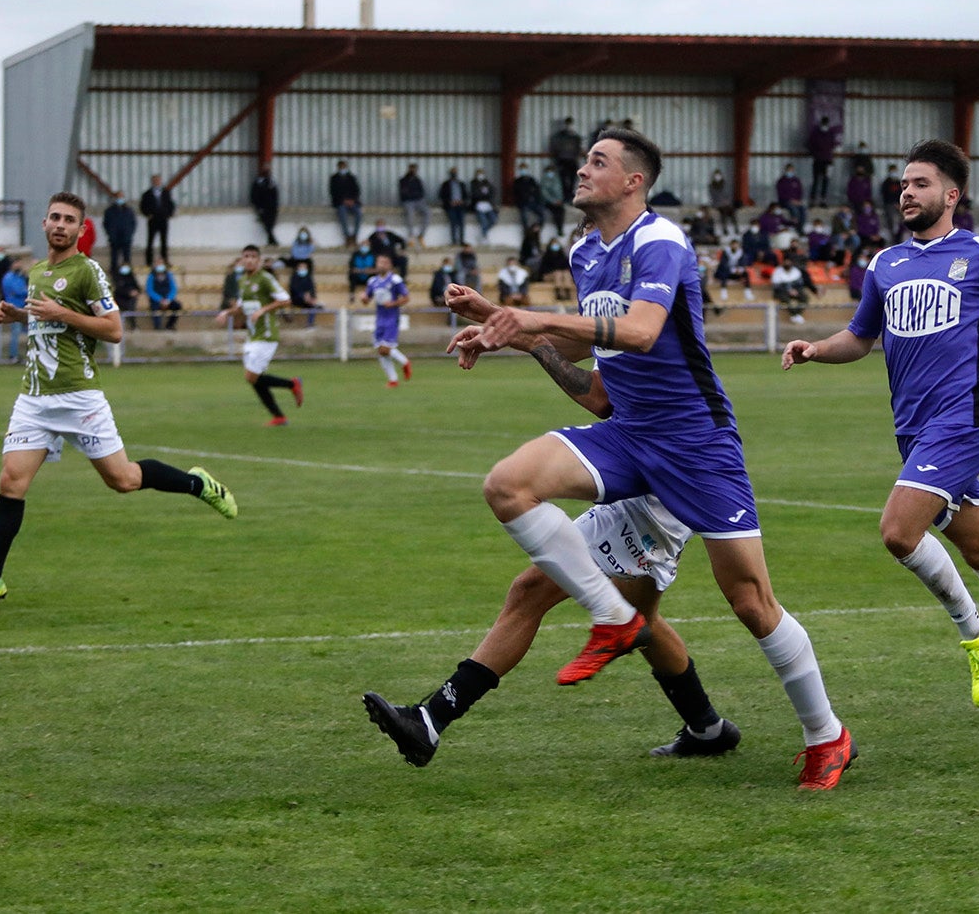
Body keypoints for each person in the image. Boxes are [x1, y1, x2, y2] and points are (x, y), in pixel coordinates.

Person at [439, 127, 855, 791]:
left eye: (597, 161)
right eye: (584, 160)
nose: (581, 170)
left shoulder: (660, 241)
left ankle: (826, 734)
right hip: (628, 432)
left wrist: (529, 317)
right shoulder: (584, 252)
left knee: (751, 601)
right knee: (508, 484)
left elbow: (639, 331)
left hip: (696, 443)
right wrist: (502, 327)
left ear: (634, 181)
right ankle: (614, 617)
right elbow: (590, 354)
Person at [782, 139, 979, 716]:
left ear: (951, 194)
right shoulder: (885, 264)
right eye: (903, 185)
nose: (907, 193)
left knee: (898, 532)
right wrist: (816, 348)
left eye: (920, 184)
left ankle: (976, 633)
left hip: (964, 420)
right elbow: (860, 338)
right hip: (913, 430)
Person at [365, 333, 741, 767]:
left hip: (663, 480)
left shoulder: (640, 311)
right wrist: (500, 329)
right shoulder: (625, 306)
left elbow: (600, 397)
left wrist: (526, 337)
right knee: (641, 619)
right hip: (654, 472)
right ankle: (707, 729)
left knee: (532, 591)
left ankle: (431, 719)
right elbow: (578, 343)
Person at [0, 192, 236, 608]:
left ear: (81, 230)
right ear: (44, 224)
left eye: (70, 220)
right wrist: (19, 316)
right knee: (11, 481)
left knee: (123, 480)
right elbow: (47, 319)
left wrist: (62, 314)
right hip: (34, 397)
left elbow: (114, 330)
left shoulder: (88, 271)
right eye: (55, 217)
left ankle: (198, 484)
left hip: (79, 397)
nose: (60, 224)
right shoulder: (38, 271)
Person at [215, 244, 304, 426]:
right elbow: (242, 306)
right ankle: (279, 416)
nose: (249, 260)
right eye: (246, 256)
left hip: (267, 334)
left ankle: (292, 384)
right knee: (254, 380)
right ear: (241, 259)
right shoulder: (243, 280)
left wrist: (263, 310)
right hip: (253, 335)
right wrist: (227, 313)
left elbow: (285, 299)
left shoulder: (265, 278)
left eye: (253, 256)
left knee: (251, 377)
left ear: (259, 260)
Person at [362, 253, 412, 387]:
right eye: (379, 262)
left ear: (389, 265)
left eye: (384, 263)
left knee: (385, 348)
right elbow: (367, 299)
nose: (381, 265)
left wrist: (393, 303)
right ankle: (393, 380)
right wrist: (364, 298)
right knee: (381, 351)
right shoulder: (372, 281)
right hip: (379, 318)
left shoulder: (395, 280)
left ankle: (405, 362)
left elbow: (406, 297)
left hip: (391, 318)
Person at [139, 174, 175, 268]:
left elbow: (170, 204)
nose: (157, 182)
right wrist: (148, 214)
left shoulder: (166, 192)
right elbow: (142, 206)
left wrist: (169, 214)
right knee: (150, 241)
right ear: (152, 182)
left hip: (163, 219)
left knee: (164, 241)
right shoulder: (147, 194)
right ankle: (149, 262)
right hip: (153, 220)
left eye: (158, 180)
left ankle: (164, 260)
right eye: (155, 180)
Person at [547, 116, 583, 202]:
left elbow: (578, 148)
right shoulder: (559, 136)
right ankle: (565, 195)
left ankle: (570, 195)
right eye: (568, 124)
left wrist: (576, 156)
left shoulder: (575, 136)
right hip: (562, 160)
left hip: (572, 160)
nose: (569, 126)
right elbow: (554, 148)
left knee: (573, 179)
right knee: (563, 179)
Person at [0, 259, 30, 359]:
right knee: (15, 331)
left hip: (23, 307)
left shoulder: (20, 277)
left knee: (29, 331)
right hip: (13, 307)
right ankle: (13, 355)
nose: (19, 265)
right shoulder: (9, 277)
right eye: (17, 263)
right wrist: (27, 291)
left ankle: (28, 353)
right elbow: (18, 291)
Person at [102, 191, 136, 275]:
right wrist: (110, 233)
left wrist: (129, 233)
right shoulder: (109, 210)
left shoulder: (129, 210)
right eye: (118, 197)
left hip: (126, 237)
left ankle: (127, 272)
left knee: (126, 256)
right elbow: (106, 223)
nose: (120, 199)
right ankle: (114, 271)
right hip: (114, 237)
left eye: (121, 197)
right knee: (114, 256)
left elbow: (133, 223)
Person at [329, 160, 362, 246]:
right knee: (342, 215)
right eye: (341, 167)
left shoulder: (351, 177)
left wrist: (352, 200)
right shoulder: (334, 178)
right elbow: (333, 192)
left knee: (359, 214)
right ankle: (347, 236)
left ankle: (354, 235)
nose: (342, 169)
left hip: (352, 202)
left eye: (344, 167)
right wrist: (343, 200)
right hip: (340, 203)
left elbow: (356, 190)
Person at [807, 115, 838, 205]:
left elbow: (833, 144)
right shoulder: (815, 133)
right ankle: (813, 199)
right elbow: (810, 144)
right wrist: (815, 153)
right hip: (818, 159)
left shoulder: (831, 133)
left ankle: (823, 200)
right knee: (816, 180)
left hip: (827, 160)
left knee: (826, 180)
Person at [770, 254, 810, 322]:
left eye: (789, 262)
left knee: (804, 297)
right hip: (782, 292)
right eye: (786, 262)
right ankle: (795, 315)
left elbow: (800, 284)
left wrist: (795, 290)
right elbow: (776, 286)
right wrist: (788, 290)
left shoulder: (796, 271)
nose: (787, 263)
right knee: (786, 300)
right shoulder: (777, 271)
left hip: (795, 291)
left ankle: (797, 314)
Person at [399, 162, 429, 245]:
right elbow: (403, 193)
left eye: (415, 169)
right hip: (408, 201)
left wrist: (415, 195)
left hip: (418, 201)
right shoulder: (403, 180)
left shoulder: (418, 180)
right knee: (410, 215)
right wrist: (413, 195)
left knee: (427, 213)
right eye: (412, 169)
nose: (413, 171)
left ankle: (421, 235)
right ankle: (411, 236)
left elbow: (422, 192)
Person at [512, 160, 545, 234]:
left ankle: (538, 228)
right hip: (523, 203)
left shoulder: (532, 180)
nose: (523, 171)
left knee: (542, 213)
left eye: (524, 169)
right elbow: (516, 194)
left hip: (534, 202)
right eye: (522, 169)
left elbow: (537, 191)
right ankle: (526, 231)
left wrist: (538, 201)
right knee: (524, 216)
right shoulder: (517, 181)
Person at [145, 263, 181, 330]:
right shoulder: (151, 276)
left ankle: (169, 325)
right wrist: (160, 299)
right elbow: (150, 290)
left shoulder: (169, 275)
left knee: (177, 306)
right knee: (155, 308)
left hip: (167, 299)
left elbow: (173, 289)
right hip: (156, 300)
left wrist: (168, 299)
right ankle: (158, 327)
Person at [439, 167, 469, 246]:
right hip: (451, 206)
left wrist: (462, 201)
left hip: (460, 206)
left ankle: (462, 240)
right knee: (453, 223)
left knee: (461, 223)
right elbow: (441, 195)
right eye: (453, 172)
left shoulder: (461, 184)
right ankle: (454, 241)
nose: (454, 174)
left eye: (455, 172)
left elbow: (466, 195)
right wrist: (450, 202)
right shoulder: (446, 184)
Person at [250, 165, 279, 246]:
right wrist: (258, 206)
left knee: (271, 224)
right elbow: (254, 195)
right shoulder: (258, 182)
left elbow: (275, 195)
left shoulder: (272, 182)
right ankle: (272, 240)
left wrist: (275, 205)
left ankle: (271, 240)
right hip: (263, 207)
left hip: (272, 207)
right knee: (267, 224)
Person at [288, 260, 320, 326]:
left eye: (305, 267)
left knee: (313, 306)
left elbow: (312, 288)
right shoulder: (294, 277)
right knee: (310, 302)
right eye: (302, 267)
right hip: (297, 299)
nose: (303, 269)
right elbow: (294, 289)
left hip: (308, 299)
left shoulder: (308, 277)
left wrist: (312, 296)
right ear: (298, 268)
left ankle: (310, 323)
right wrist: (303, 295)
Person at [470, 170, 498, 243]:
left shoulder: (487, 182)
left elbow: (492, 192)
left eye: (481, 174)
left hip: (488, 205)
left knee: (493, 220)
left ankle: (483, 233)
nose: (480, 175)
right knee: (484, 222)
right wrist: (482, 194)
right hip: (479, 206)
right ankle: (484, 237)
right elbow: (475, 194)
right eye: (479, 174)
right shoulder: (474, 183)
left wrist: (486, 195)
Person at [539, 162, 566, 237]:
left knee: (561, 211)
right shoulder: (544, 180)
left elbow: (560, 191)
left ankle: (560, 229)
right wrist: (554, 201)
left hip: (558, 201)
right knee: (554, 211)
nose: (550, 173)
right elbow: (544, 194)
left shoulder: (557, 179)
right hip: (548, 202)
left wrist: (559, 200)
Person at [776, 163, 805, 232]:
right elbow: (781, 193)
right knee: (794, 210)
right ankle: (795, 227)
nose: (790, 172)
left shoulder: (796, 180)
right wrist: (790, 200)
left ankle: (800, 228)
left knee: (803, 210)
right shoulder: (781, 181)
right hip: (785, 201)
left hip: (796, 201)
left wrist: (798, 200)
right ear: (786, 170)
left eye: (791, 170)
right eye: (789, 170)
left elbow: (800, 191)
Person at [708, 169, 738, 236]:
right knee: (723, 212)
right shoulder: (711, 185)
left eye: (718, 175)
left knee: (731, 211)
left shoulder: (725, 184)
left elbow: (728, 194)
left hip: (726, 203)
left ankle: (736, 228)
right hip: (717, 203)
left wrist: (727, 202)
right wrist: (721, 202)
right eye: (716, 175)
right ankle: (724, 229)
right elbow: (713, 196)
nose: (717, 176)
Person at [879, 165, 903, 242]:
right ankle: (894, 239)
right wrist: (894, 203)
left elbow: (902, 193)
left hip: (899, 205)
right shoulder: (886, 183)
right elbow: (885, 195)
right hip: (889, 205)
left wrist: (899, 203)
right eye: (892, 171)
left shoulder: (899, 182)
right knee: (893, 221)